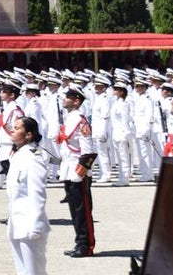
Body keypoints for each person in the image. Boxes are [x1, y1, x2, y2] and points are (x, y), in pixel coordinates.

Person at [6, 116, 50, 275]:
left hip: (30, 225)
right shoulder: (18, 155)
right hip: (17, 223)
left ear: (28, 135)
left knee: (34, 272)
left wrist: (36, 225)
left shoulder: (33, 157)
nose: (12, 130)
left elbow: (37, 192)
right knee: (22, 271)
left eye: (17, 128)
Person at [57, 85, 95, 259]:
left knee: (83, 210)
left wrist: (82, 172)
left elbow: (87, 149)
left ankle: (86, 245)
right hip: (68, 167)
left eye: (68, 97)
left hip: (78, 170)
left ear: (76, 101)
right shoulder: (69, 118)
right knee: (74, 209)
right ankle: (79, 242)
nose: (64, 100)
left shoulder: (81, 120)